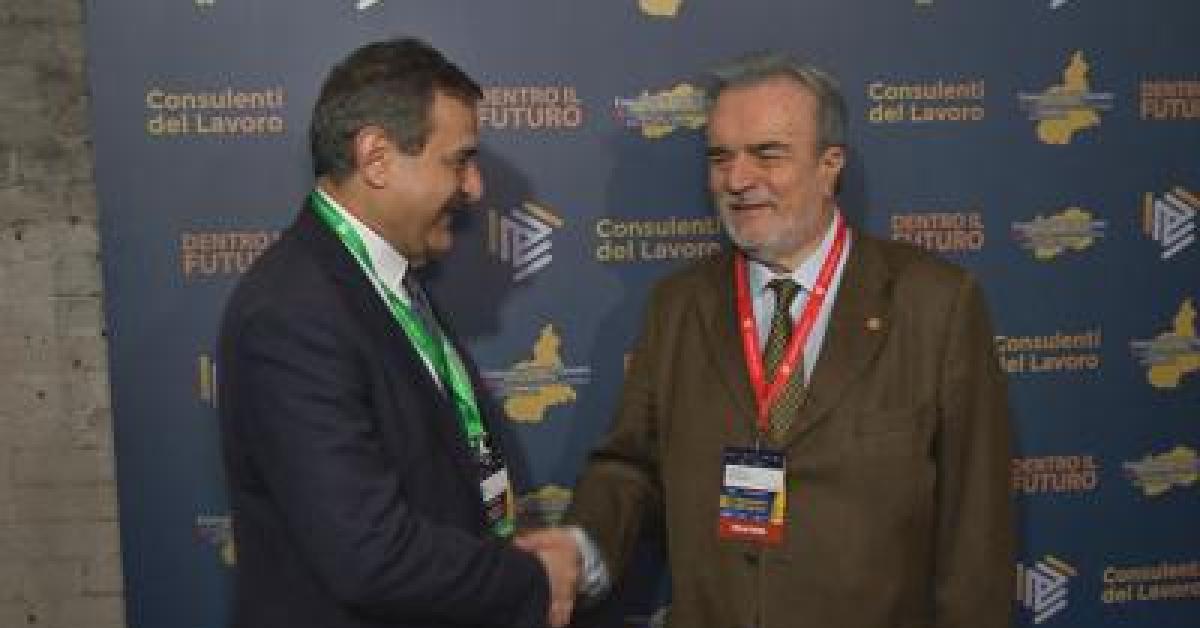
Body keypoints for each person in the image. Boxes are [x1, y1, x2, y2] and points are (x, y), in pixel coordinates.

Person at [548, 52, 1014, 628]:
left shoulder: (936, 304)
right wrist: (580, 547)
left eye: (767, 154)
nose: (737, 180)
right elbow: (630, 467)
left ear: (829, 165)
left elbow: (976, 533)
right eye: (720, 157)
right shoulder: (678, 305)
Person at [217, 38, 578, 628]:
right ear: (377, 158)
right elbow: (369, 554)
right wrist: (530, 579)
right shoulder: (290, 315)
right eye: (458, 160)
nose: (475, 187)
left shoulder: (386, 280)